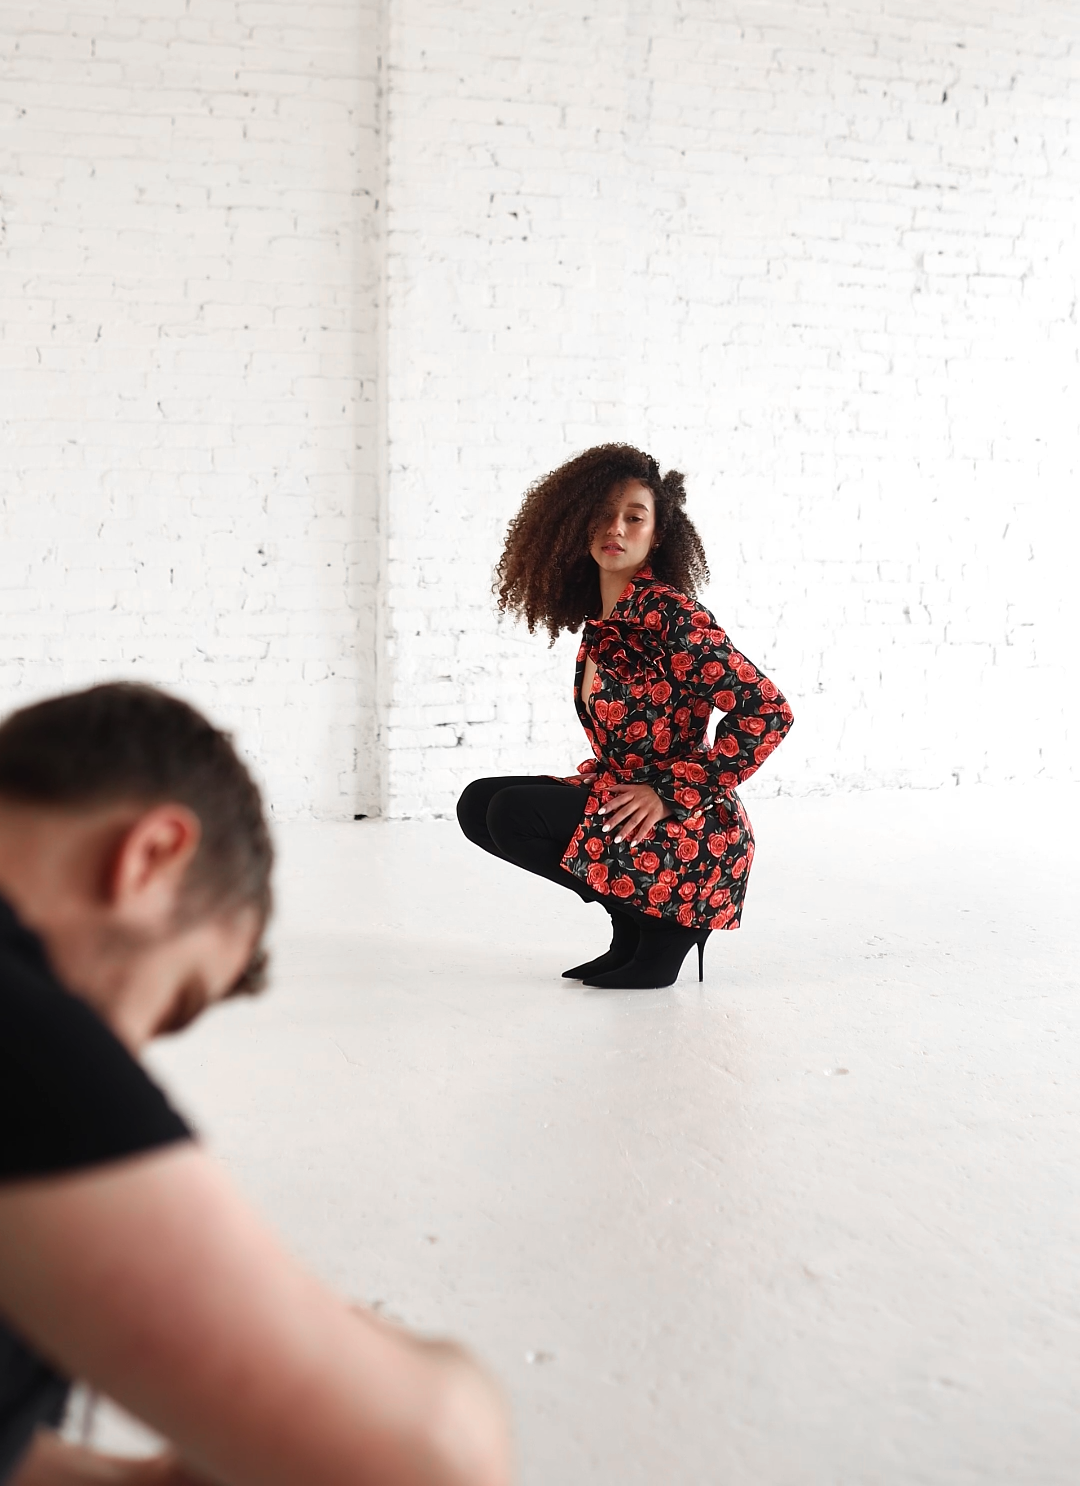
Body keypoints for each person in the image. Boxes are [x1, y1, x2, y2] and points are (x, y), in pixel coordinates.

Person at [0, 683, 511, 1486]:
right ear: (152, 858)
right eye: (173, 1002)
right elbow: (433, 1456)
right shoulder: (28, 1032)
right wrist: (380, 1350)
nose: (126, 1055)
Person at [457, 444, 794, 990]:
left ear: (656, 535)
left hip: (689, 829)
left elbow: (768, 711)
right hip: (628, 808)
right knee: (479, 804)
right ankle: (634, 921)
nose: (616, 527)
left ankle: (666, 929)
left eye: (634, 517)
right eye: (603, 514)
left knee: (511, 813)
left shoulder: (671, 615)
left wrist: (669, 792)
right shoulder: (606, 620)